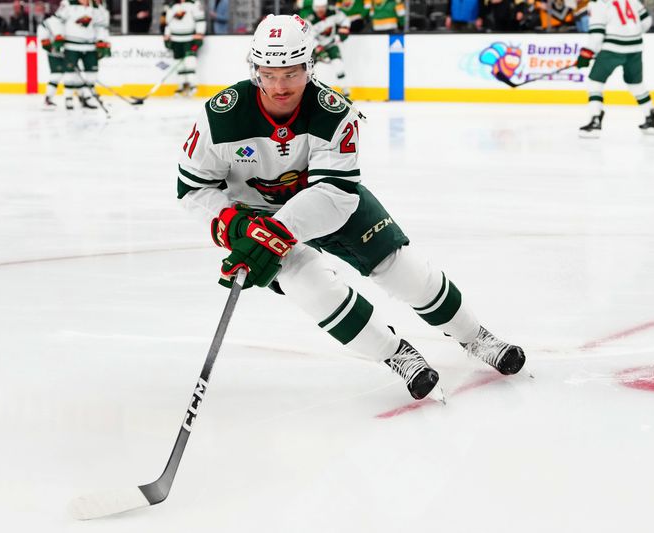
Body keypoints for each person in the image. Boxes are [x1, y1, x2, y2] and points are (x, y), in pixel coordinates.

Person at [175, 14, 526, 402]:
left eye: (291, 73)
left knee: (405, 272)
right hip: (255, 215)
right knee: (309, 286)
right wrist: (233, 225)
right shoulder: (220, 115)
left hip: (327, 205)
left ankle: (475, 337)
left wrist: (278, 230)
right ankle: (398, 355)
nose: (279, 86)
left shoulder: (333, 110)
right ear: (254, 68)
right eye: (269, 73)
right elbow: (193, 188)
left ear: (310, 66)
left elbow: (336, 192)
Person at [577, 0, 654, 137]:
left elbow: (597, 35)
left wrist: (586, 54)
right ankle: (651, 118)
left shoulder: (598, 4)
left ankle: (595, 120)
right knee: (636, 84)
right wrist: (631, 34)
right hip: (635, 48)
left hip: (612, 50)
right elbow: (647, 21)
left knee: (595, 82)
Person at [55, 0, 110, 110]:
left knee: (92, 73)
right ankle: (68, 98)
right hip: (71, 45)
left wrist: (101, 41)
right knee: (70, 73)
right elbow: (58, 21)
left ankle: (87, 97)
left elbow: (101, 26)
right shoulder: (68, 3)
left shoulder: (97, 6)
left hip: (90, 46)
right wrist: (58, 37)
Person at [306, 0, 351, 98]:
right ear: (314, 7)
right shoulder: (310, 20)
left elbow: (345, 20)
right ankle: (306, 92)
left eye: (322, 7)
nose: (320, 10)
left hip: (331, 44)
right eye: (318, 8)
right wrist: (317, 48)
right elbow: (308, 37)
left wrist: (343, 31)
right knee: (308, 70)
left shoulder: (333, 12)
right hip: (316, 47)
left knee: (339, 64)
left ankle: (346, 91)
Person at [163, 0, 206, 96]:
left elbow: (200, 20)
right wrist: (167, 36)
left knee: (190, 62)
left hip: (189, 39)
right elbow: (168, 23)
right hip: (175, 40)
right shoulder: (171, 5)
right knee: (179, 64)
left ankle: (193, 85)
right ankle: (181, 85)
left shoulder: (194, 4)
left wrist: (199, 34)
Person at [37, 13, 65, 108]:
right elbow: (45, 43)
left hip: (69, 52)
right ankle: (48, 98)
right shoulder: (44, 25)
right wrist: (54, 49)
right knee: (56, 75)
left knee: (74, 76)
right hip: (54, 55)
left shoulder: (64, 22)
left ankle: (83, 97)